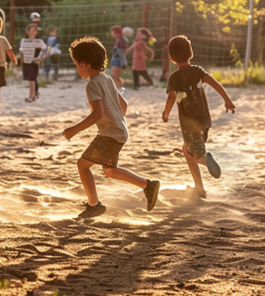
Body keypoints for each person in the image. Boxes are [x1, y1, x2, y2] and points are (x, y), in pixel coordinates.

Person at [62, 36, 160, 219]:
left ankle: (94, 205)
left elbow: (97, 114)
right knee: (110, 171)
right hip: (120, 133)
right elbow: (124, 106)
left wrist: (73, 130)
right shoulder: (107, 79)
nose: (77, 68)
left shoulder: (92, 85)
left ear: (84, 64)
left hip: (109, 136)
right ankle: (149, 186)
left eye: (76, 64)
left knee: (82, 166)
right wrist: (116, 121)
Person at [162, 35, 236, 199]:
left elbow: (171, 97)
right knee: (187, 150)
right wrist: (228, 101)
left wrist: (166, 114)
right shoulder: (198, 71)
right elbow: (215, 83)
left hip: (189, 125)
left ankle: (203, 161)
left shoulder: (174, 78)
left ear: (171, 58)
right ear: (191, 53)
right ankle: (199, 187)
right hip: (204, 121)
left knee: (194, 154)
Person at [19, 23, 47, 102]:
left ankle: (31, 96)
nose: (32, 32)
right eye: (31, 30)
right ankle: (33, 95)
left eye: (34, 30)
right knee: (30, 79)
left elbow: (45, 48)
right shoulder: (24, 41)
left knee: (32, 78)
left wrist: (42, 57)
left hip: (34, 62)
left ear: (36, 32)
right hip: (26, 61)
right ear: (27, 31)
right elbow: (21, 50)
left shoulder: (39, 41)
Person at [110, 25, 127, 92]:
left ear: (115, 33)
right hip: (118, 59)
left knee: (115, 77)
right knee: (116, 76)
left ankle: (119, 90)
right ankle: (121, 88)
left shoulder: (120, 40)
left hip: (117, 59)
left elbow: (124, 50)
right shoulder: (121, 39)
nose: (111, 34)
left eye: (112, 32)